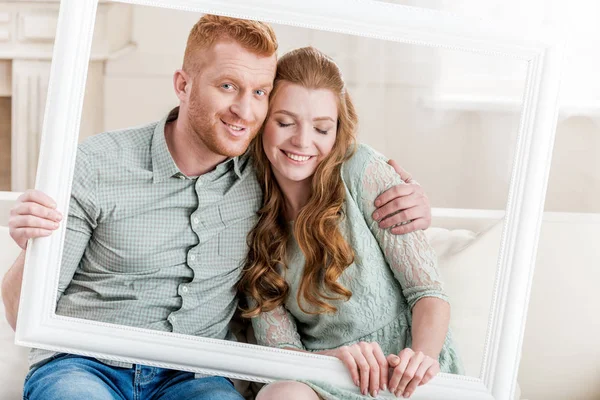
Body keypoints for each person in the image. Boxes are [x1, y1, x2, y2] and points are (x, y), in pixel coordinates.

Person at [1, 16, 432, 400]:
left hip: (193, 378)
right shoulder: (97, 164)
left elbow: (321, 155)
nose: (245, 110)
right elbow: (25, 318)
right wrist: (31, 250)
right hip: (82, 366)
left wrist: (404, 197)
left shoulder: (265, 174)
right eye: (228, 86)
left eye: (260, 92)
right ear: (183, 84)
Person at [238, 47, 463, 400]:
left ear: (338, 131)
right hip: (325, 374)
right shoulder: (247, 212)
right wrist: (335, 361)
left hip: (406, 370)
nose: (302, 141)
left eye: (322, 128)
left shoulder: (362, 170)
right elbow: (279, 346)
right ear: (261, 122)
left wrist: (421, 358)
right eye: (285, 122)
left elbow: (428, 292)